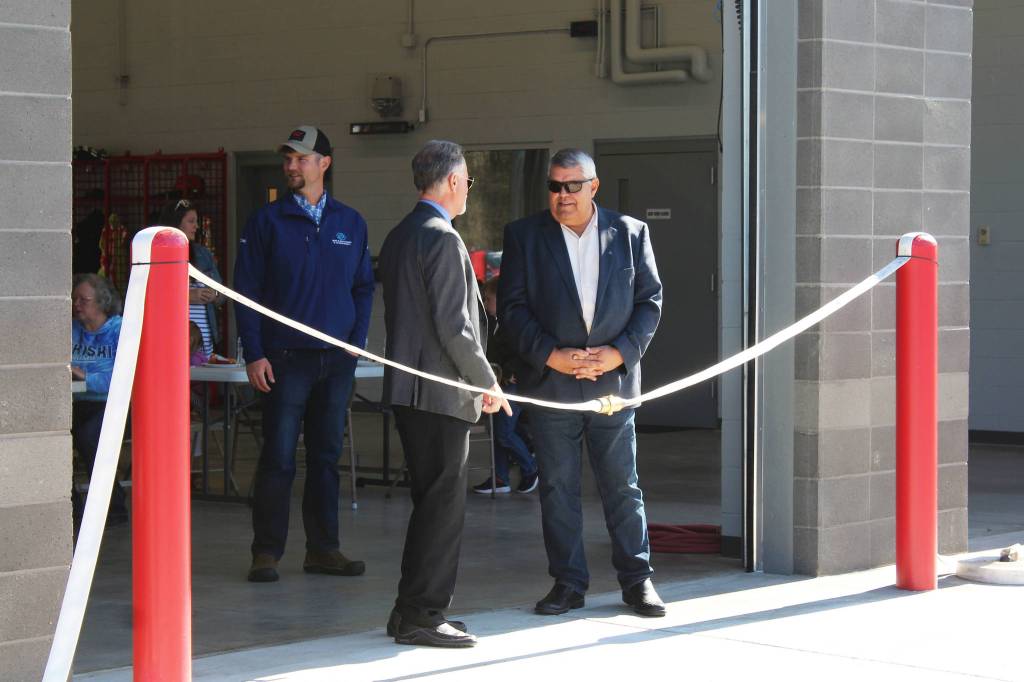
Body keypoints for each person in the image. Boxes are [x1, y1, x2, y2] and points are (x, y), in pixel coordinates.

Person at [498, 148, 666, 618]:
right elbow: (511, 310)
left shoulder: (632, 233)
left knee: (622, 487)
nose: (563, 195)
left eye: (573, 185)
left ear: (594, 186)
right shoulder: (524, 236)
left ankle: (638, 581)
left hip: (612, 384)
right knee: (557, 488)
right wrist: (554, 357)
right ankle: (568, 583)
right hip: (553, 384)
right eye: (555, 186)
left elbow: (650, 303)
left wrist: (618, 354)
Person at [378, 140, 510, 648]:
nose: (468, 191)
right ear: (453, 181)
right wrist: (488, 382)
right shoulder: (443, 238)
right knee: (442, 508)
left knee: (430, 502)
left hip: (412, 393)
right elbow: (456, 329)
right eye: (468, 182)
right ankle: (422, 614)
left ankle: (410, 610)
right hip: (440, 394)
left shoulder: (400, 235)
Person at [234, 125, 375, 583]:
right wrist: (254, 353)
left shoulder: (350, 222)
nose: (291, 166)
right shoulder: (266, 222)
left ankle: (323, 549)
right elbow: (246, 291)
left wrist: (356, 342)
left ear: (323, 164)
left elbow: (363, 287)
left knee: (326, 457)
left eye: (300, 158)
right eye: (288, 159)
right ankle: (266, 552)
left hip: (335, 362)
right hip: (284, 358)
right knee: (277, 456)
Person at [472, 276, 539, 495]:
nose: (485, 302)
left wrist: (510, 372)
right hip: (500, 383)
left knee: (503, 432)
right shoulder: (494, 324)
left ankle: (530, 467)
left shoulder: (513, 325)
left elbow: (521, 352)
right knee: (498, 429)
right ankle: (501, 476)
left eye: (488, 298)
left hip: (512, 386)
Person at [70, 273, 128, 527]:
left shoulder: (120, 329)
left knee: (88, 439)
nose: (77, 305)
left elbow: (121, 376)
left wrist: (84, 375)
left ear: (102, 302)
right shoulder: (71, 328)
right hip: (74, 401)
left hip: (109, 403)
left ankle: (113, 505)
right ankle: (72, 505)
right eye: (74, 299)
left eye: (84, 300)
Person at [157, 199, 223, 356]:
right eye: (191, 221)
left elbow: (222, 296)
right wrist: (188, 296)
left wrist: (213, 295)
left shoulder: (204, 254)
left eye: (196, 221)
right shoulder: (157, 254)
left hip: (205, 342)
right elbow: (150, 297)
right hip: (170, 340)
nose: (196, 226)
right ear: (176, 224)